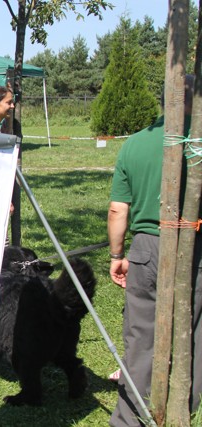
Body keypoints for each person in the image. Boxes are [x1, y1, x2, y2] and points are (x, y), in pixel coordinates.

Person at [108, 75, 202, 426]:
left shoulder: (134, 143)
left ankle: (130, 418)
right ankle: (182, 410)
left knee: (140, 336)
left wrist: (117, 255)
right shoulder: (198, 142)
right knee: (194, 332)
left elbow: (118, 209)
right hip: (194, 245)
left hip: (146, 247)